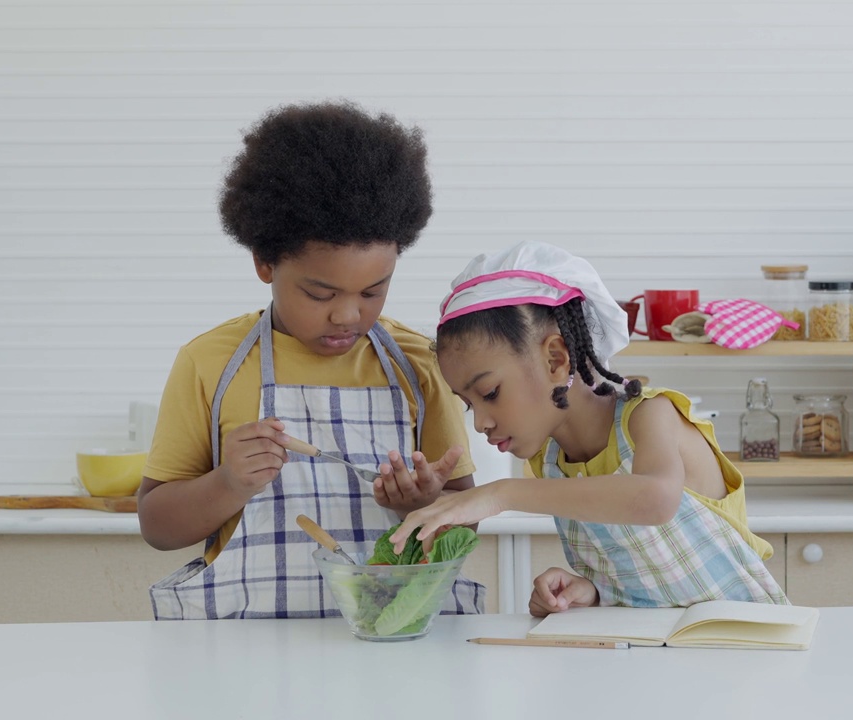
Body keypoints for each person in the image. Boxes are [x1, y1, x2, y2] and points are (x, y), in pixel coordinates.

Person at [138, 100, 484, 619]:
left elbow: (466, 522)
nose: (347, 315)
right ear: (264, 262)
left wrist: (420, 504)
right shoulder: (211, 363)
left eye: (374, 290)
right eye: (320, 294)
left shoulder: (419, 364)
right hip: (246, 652)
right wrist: (228, 483)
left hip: (393, 646)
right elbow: (158, 528)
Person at [391, 241, 787, 617]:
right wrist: (595, 592)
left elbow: (655, 499)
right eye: (467, 404)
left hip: (746, 647)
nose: (479, 423)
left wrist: (501, 494)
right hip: (659, 660)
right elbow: (651, 584)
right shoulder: (549, 462)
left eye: (490, 393)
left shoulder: (649, 416)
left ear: (556, 359)